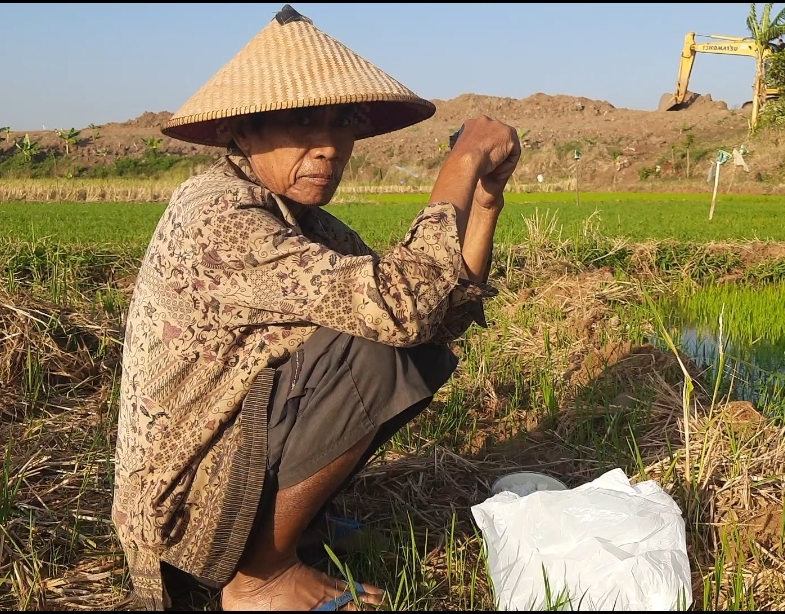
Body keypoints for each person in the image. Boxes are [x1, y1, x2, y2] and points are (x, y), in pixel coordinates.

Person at [111, 4, 520, 611]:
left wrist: (485, 202)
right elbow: (399, 308)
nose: (329, 147)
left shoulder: (312, 227)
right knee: (378, 347)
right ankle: (258, 577)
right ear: (241, 132)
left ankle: (288, 532)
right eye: (302, 123)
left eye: (340, 124)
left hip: (232, 470)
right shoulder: (217, 214)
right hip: (179, 515)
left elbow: (439, 313)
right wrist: (458, 165)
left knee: (410, 346)